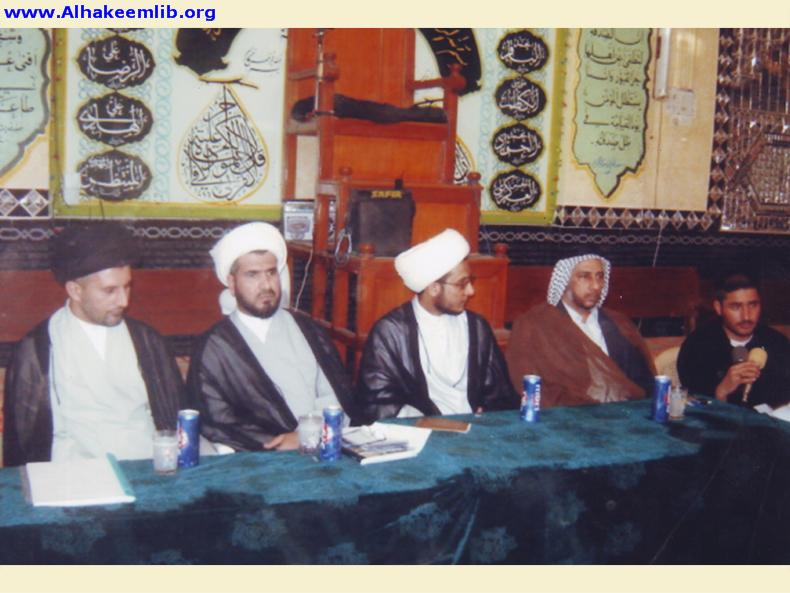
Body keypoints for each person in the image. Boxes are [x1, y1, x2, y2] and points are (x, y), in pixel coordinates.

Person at [2, 224, 184, 467]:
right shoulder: (37, 349)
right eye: (110, 291)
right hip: (72, 476)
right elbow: (23, 438)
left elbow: (176, 419)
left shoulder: (148, 341)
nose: (124, 301)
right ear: (75, 291)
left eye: (127, 286)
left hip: (148, 469)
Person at [186, 222, 354, 452]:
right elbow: (217, 420)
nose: (266, 285)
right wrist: (278, 443)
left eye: (271, 272)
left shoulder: (309, 331)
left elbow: (334, 397)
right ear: (232, 283)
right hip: (255, 458)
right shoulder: (214, 347)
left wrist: (307, 435)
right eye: (252, 275)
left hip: (322, 445)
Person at [355, 228, 519, 421]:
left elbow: (500, 394)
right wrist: (428, 423)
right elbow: (376, 404)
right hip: (418, 431)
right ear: (433, 288)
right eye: (462, 283)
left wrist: (486, 416)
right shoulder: (390, 332)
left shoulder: (477, 327)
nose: (471, 291)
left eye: (470, 281)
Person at [506, 253, 655, 408]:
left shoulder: (620, 323)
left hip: (624, 413)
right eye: (585, 277)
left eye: (599, 277)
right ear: (565, 280)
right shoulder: (534, 324)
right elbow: (530, 388)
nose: (596, 286)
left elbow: (643, 382)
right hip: (567, 416)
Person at [677, 274, 790, 408]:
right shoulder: (697, 346)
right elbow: (694, 407)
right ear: (719, 308)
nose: (746, 316)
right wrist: (721, 391)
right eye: (736, 307)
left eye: (753, 305)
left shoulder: (777, 343)